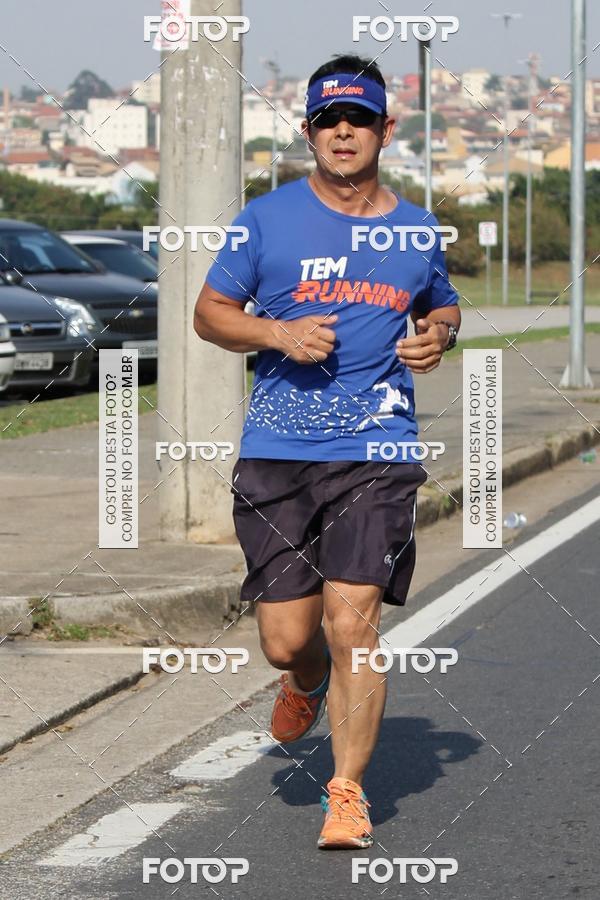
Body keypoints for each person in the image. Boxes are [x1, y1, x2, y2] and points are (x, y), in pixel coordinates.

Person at [194, 53, 461, 850]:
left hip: (378, 448)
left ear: (386, 129)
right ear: (309, 131)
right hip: (278, 451)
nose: (343, 132)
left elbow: (442, 305)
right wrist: (276, 333)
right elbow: (210, 314)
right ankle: (305, 679)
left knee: (355, 625)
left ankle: (346, 794)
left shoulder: (416, 228)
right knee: (287, 639)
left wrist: (438, 337)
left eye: (359, 119)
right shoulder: (266, 219)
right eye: (327, 120)